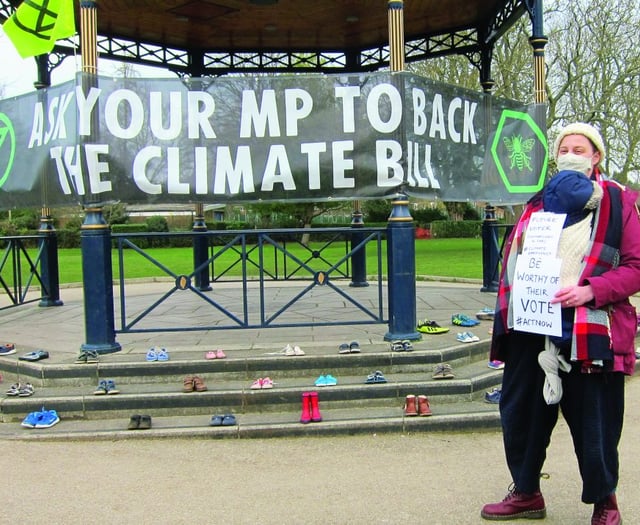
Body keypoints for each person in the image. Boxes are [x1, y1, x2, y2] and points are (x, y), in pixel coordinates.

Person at [481, 122, 640, 524]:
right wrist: (512, 307)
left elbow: (637, 268)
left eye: (580, 148)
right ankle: (527, 491)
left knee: (596, 423)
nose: (571, 154)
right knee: (521, 414)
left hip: (588, 325)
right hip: (533, 326)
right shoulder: (538, 203)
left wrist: (591, 290)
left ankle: (606, 501)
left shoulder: (619, 203)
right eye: (564, 148)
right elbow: (517, 260)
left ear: (596, 156)